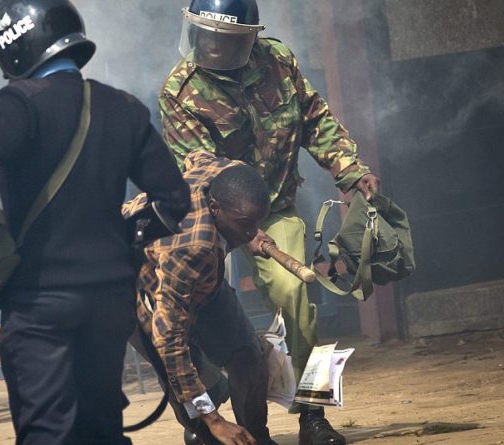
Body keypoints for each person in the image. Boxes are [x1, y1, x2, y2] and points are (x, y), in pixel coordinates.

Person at [0, 1, 190, 444]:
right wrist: (123, 239)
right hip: (109, 300)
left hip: (40, 300)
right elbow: (173, 200)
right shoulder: (122, 106)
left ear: (17, 44)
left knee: (48, 431)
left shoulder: (20, 102)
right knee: (102, 427)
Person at [158, 1, 382, 443]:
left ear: (248, 38)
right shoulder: (179, 91)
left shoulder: (278, 61)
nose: (211, 44)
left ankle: (314, 414)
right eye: (203, 34)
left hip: (272, 205)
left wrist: (350, 170)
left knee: (297, 296)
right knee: (187, 311)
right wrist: (243, 233)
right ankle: (205, 418)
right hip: (210, 218)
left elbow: (315, 118)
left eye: (223, 37)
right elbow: (202, 172)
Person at [125, 150, 280, 445]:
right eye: (244, 224)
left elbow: (196, 156)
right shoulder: (192, 248)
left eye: (256, 223)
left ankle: (256, 437)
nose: (250, 233)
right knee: (199, 402)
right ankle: (205, 429)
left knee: (247, 354)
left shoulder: (230, 171)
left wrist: (250, 231)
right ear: (214, 207)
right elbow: (169, 339)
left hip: (203, 281)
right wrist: (214, 420)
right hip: (134, 285)